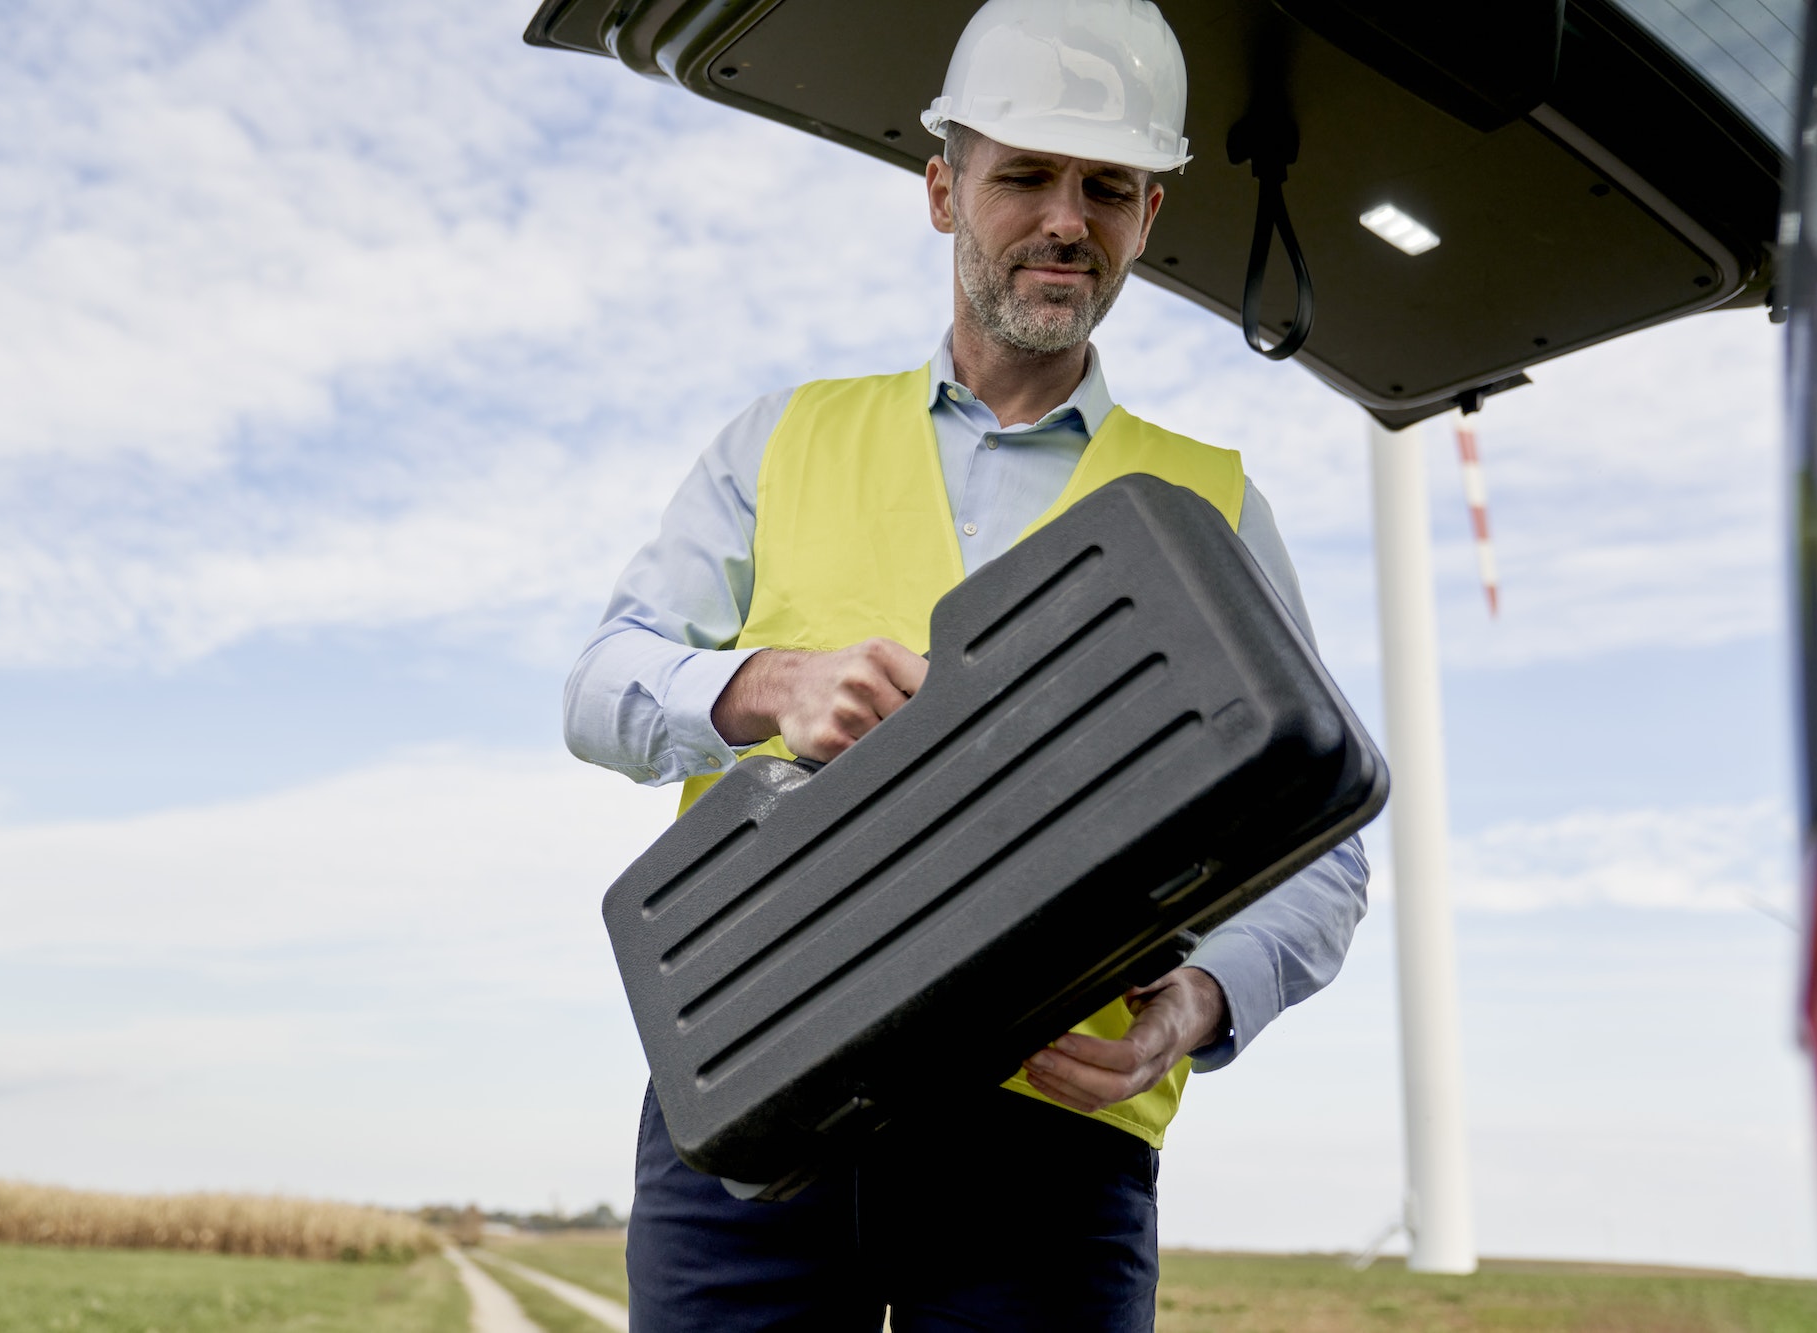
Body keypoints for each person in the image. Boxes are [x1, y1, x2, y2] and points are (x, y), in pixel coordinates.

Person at [562, 1, 1369, 1327]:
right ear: (945, 190)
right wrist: (768, 685)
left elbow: (1321, 847)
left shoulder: (1208, 505)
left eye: (1107, 187)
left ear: (1148, 216)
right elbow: (601, 684)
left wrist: (1193, 1008)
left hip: (1051, 1156)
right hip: (757, 1100)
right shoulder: (781, 440)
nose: (1066, 218)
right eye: (1025, 177)